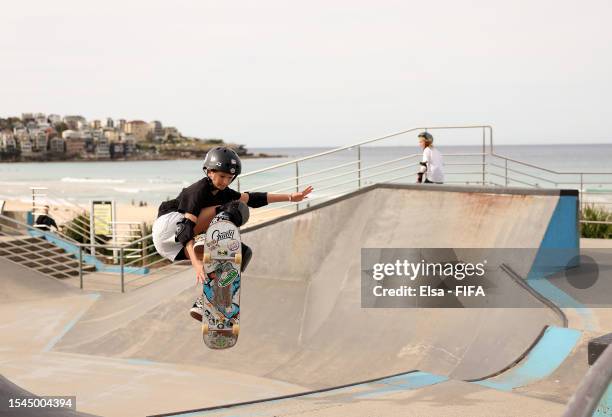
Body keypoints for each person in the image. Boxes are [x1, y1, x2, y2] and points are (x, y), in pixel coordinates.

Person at [152, 146, 313, 321]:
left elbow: (253, 198)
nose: (224, 182)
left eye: (229, 178)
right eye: (221, 176)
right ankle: (209, 236)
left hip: (172, 248)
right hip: (169, 225)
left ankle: (208, 301)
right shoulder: (197, 190)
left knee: (242, 254)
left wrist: (290, 197)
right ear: (209, 171)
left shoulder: (224, 192)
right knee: (234, 208)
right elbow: (184, 230)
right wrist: (197, 264)